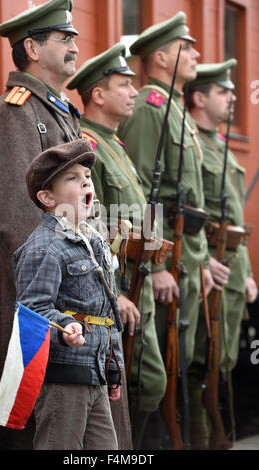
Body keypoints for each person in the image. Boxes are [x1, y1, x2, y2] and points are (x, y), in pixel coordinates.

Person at [0, 0, 82, 450]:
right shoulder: (15, 112)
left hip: (61, 283)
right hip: (32, 289)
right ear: (33, 48)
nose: (76, 45)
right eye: (65, 38)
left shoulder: (61, 111)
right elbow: (14, 215)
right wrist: (59, 277)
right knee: (23, 418)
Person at [118, 12, 214, 448]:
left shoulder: (175, 108)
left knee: (185, 361)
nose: (195, 54)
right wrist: (154, 261)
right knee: (156, 373)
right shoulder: (150, 107)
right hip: (162, 258)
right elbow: (140, 191)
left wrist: (202, 258)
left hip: (186, 251)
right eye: (185, 48)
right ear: (160, 57)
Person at [67, 43, 167, 449]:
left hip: (139, 281)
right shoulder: (89, 146)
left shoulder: (116, 145)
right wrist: (119, 292)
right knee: (141, 383)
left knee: (150, 383)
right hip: (121, 290)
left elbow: (136, 214)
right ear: (98, 94)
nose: (133, 92)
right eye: (124, 85)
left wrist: (160, 255)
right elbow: (93, 225)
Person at [13, 138, 124, 450]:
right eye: (73, 178)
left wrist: (113, 368)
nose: (86, 182)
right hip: (63, 377)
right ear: (48, 197)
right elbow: (32, 312)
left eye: (87, 177)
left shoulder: (93, 241)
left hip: (96, 372)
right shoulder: (44, 246)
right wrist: (63, 327)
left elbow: (107, 313)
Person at [186, 59, 258, 449]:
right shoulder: (193, 143)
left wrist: (246, 271)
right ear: (199, 98)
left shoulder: (217, 143)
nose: (233, 97)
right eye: (222, 91)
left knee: (224, 366)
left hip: (232, 271)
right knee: (204, 368)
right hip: (210, 270)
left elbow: (230, 216)